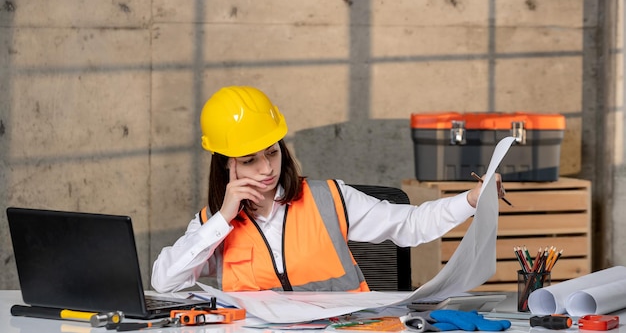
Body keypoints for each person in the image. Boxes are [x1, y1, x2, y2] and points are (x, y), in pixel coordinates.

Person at [151, 85, 505, 293]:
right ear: (226, 165)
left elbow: (411, 225)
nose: (266, 169)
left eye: (272, 153)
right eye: (249, 160)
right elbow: (165, 281)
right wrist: (224, 219)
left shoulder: (329, 198)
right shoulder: (212, 225)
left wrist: (471, 200)